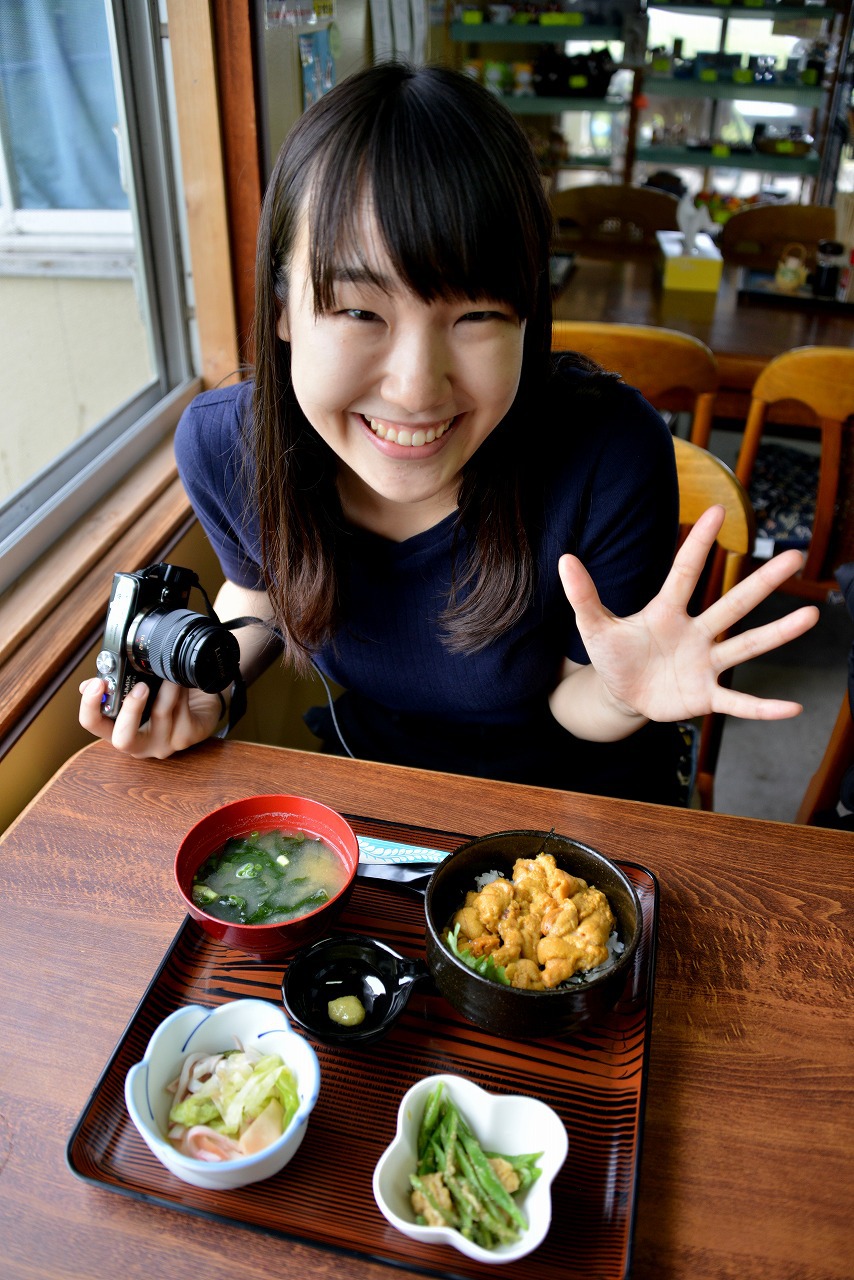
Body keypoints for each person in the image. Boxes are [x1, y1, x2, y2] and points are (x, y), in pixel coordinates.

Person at [79, 61, 818, 804]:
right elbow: (260, 594)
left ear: (528, 319)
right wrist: (210, 683)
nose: (415, 388)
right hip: (380, 799)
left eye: (476, 317)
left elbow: (574, 695)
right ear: (281, 310)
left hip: (578, 817)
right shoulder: (227, 450)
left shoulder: (610, 452)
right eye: (360, 312)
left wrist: (623, 696)